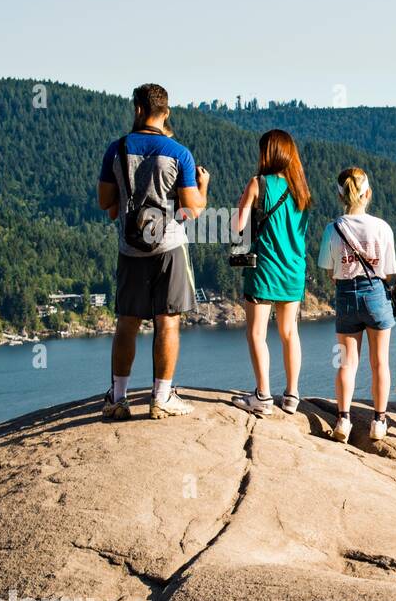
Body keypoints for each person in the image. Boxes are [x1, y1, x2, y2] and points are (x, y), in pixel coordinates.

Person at [96, 84, 208, 419]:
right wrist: (202, 187)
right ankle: (161, 397)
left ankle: (118, 398)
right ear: (166, 112)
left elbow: (106, 203)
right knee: (168, 322)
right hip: (169, 247)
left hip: (130, 249)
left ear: (138, 109)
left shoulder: (116, 150)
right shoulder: (178, 153)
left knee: (127, 324)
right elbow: (191, 208)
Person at [230, 130, 311, 418]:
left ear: (268, 153)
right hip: (293, 270)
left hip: (264, 269)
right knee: (290, 333)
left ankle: (262, 394)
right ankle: (292, 395)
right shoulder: (300, 189)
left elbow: (237, 228)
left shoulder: (258, 184)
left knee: (256, 333)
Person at [317, 167, 396, 443]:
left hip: (346, 296)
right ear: (368, 194)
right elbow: (387, 271)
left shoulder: (333, 228)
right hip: (375, 293)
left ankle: (343, 419)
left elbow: (329, 270)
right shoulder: (382, 227)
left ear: (340, 196)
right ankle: (379, 420)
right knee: (380, 363)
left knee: (345, 363)